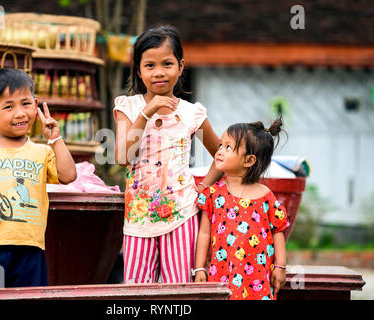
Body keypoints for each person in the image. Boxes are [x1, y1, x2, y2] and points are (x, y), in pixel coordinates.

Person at [113, 25, 222, 283]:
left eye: (167, 64)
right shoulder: (128, 108)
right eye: (149, 66)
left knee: (179, 288)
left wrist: (202, 189)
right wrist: (147, 112)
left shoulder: (191, 113)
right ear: (138, 70)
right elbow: (122, 156)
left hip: (182, 216)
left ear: (181, 66)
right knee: (137, 291)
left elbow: (221, 155)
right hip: (138, 220)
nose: (159, 72)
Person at [0, 68, 76, 289]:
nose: (20, 113)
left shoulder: (43, 152)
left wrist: (55, 139)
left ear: (36, 105)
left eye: (26, 104)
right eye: (9, 106)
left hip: (30, 248)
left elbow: (68, 176)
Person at [193, 117, 290, 300]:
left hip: (258, 279)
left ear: (249, 160)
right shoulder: (212, 194)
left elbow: (278, 231)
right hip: (222, 273)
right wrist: (199, 267)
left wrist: (281, 266)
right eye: (221, 145)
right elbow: (204, 233)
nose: (219, 151)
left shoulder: (266, 196)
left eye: (228, 147)